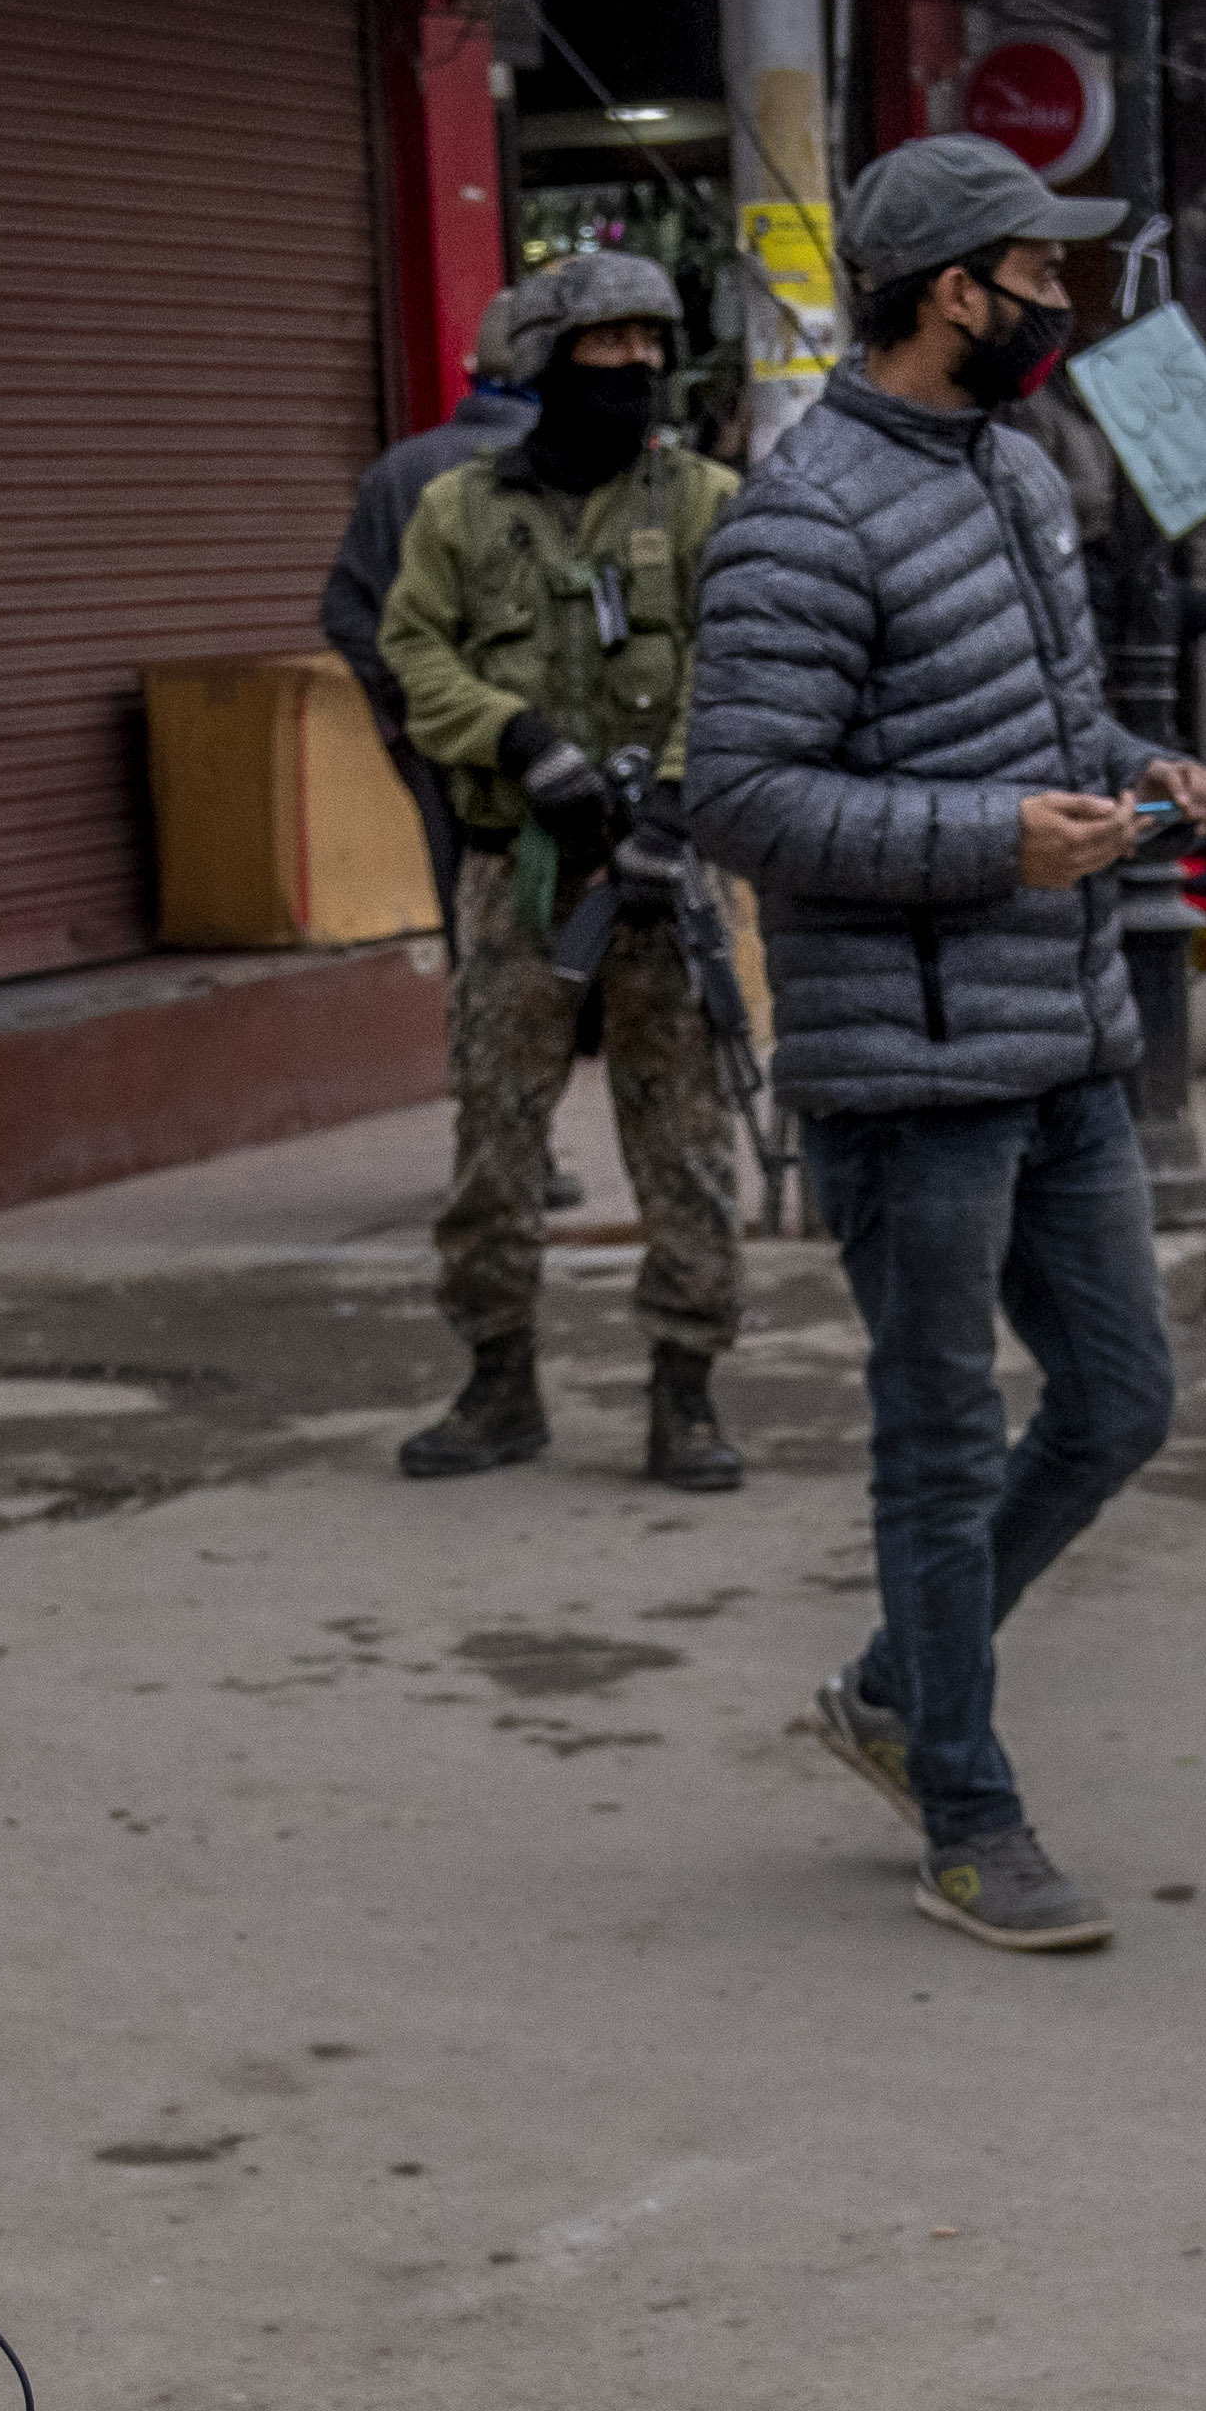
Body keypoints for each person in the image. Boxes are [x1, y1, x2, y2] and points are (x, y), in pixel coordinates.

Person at [681, 132, 1201, 1957]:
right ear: (948, 292)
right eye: (1034, 273)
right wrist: (992, 842)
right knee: (936, 1433)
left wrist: (1130, 769)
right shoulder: (800, 511)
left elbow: (1036, 712)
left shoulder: (1013, 468)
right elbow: (737, 796)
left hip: (1060, 1031)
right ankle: (964, 1810)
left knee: (1123, 1398)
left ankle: (899, 1685)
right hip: (906, 1074)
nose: (1062, 301)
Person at [377, 249, 749, 1492]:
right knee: (495, 1131)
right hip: (521, 874)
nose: (638, 368)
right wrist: (517, 737)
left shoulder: (701, 502)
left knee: (684, 1140)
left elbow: (742, 663)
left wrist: (680, 806)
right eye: (609, 347)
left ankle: (685, 1392)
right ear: (543, 360)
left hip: (662, 877)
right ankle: (496, 1381)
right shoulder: (459, 512)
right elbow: (409, 654)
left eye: (653, 345)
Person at [329, 294, 542, 899]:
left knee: (471, 910)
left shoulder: (400, 468)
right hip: (565, 736)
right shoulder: (585, 467)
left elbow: (344, 611)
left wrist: (407, 704)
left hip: (438, 739)